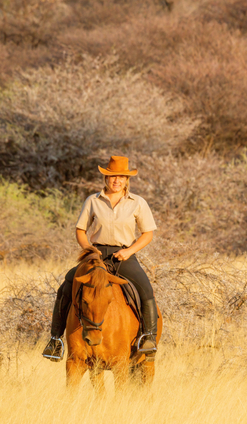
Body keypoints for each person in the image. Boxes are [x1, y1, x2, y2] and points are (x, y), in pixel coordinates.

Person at [42, 155, 159, 361]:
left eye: (121, 177)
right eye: (112, 176)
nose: (117, 181)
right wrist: (89, 250)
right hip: (95, 256)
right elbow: (80, 230)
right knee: (66, 286)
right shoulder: (92, 200)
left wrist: (129, 251)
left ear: (126, 180)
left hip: (123, 256)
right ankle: (55, 340)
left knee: (145, 288)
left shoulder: (138, 203)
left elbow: (147, 234)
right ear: (105, 178)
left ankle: (148, 338)